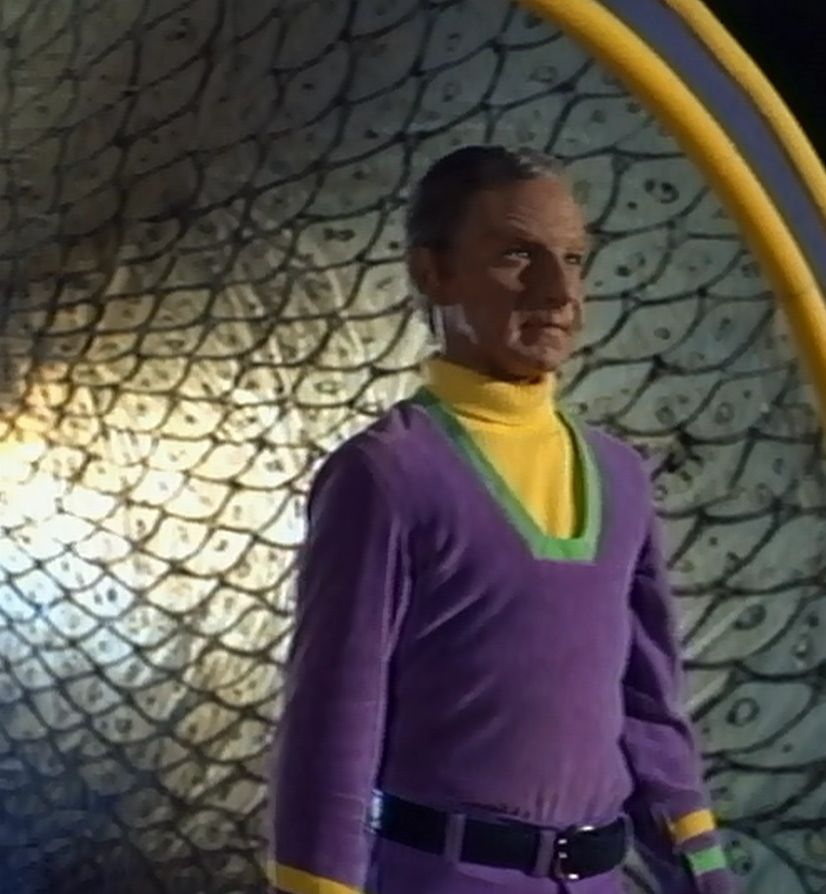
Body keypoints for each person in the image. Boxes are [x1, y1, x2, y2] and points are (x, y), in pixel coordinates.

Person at [265, 145, 735, 894]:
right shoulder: (387, 474)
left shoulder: (619, 475)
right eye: (518, 256)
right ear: (433, 272)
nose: (559, 291)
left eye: (573, 259)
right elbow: (333, 726)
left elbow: (648, 709)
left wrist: (704, 874)